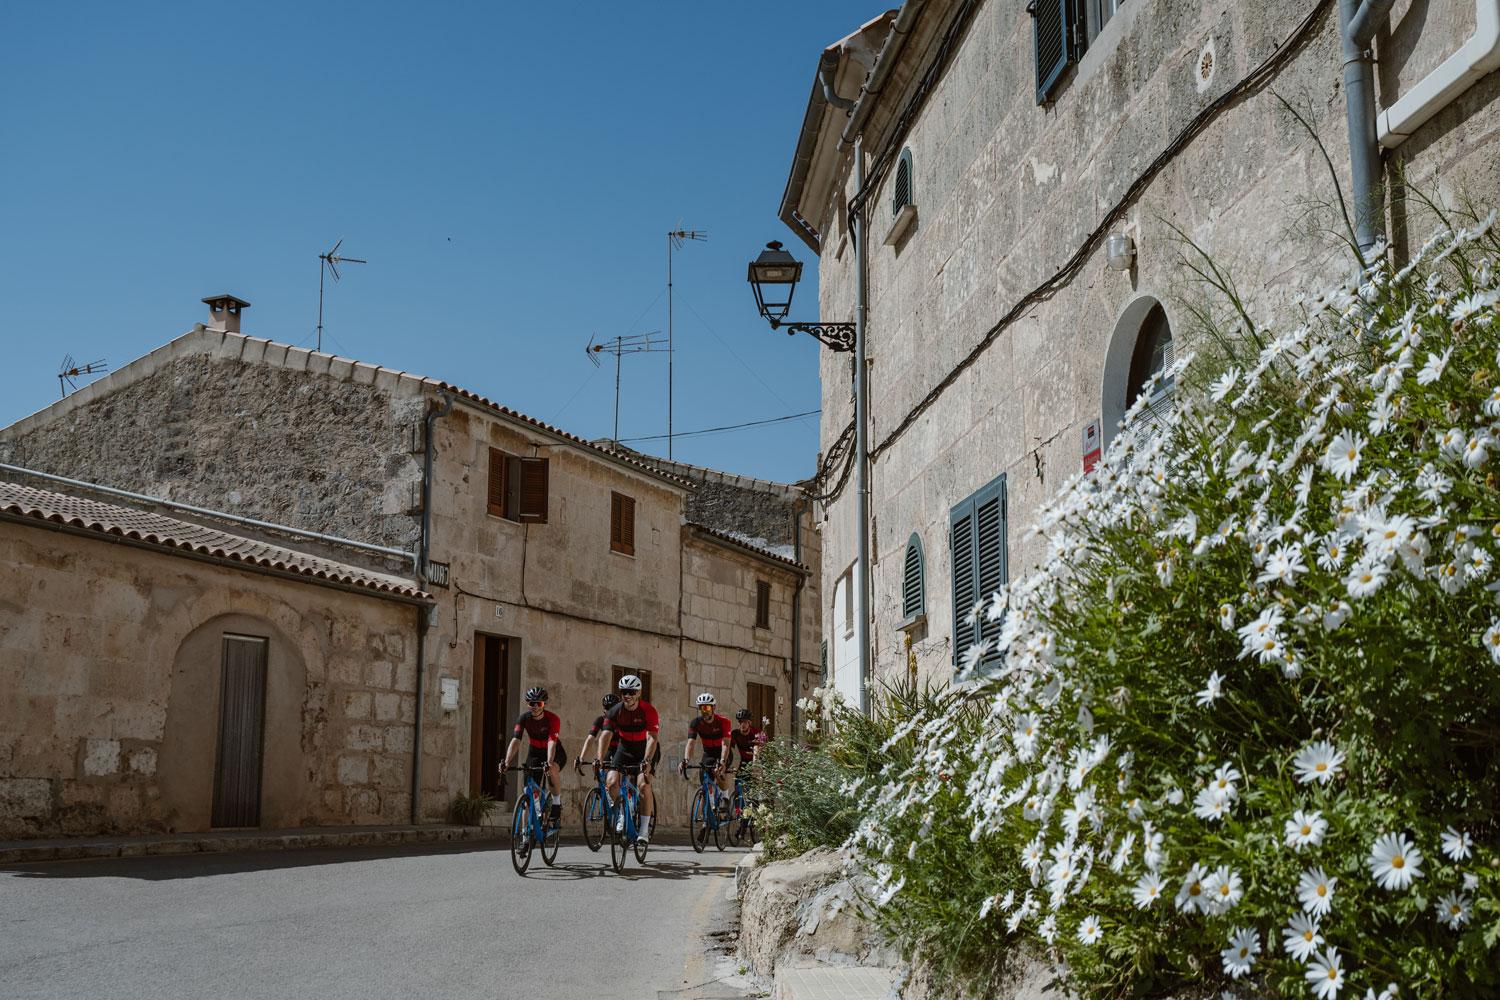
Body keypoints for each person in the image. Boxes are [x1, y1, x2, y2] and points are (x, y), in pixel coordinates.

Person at [594, 674, 661, 843]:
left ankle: (643, 831)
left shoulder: (648, 710)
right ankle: (623, 812)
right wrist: (599, 759)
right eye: (624, 692)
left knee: (643, 784)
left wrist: (647, 760)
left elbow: (652, 737)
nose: (627, 695)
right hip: (624, 749)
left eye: (631, 692)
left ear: (638, 693)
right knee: (611, 783)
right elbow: (604, 736)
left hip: (646, 749)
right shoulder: (615, 711)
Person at [500, 686, 565, 825]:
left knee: (552, 769)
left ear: (544, 704)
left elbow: (552, 742)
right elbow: (516, 740)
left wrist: (549, 762)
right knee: (528, 794)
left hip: (554, 751)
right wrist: (506, 762)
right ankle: (525, 833)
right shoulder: (523, 718)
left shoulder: (552, 719)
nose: (535, 707)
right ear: (527, 704)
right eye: (531, 703)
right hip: (535, 752)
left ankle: (556, 803)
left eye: (539, 703)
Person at [679, 692, 733, 801]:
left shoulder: (723, 722)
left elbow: (725, 744)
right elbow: (691, 743)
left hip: (722, 752)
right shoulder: (696, 723)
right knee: (704, 783)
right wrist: (686, 760)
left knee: (717, 771)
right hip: (708, 753)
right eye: (701, 708)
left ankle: (725, 795)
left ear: (713, 708)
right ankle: (709, 806)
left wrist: (722, 761)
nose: (704, 711)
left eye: (707, 707)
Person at [575, 692, 621, 776]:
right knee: (599, 770)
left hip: (622, 750)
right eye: (607, 708)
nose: (610, 711)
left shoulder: (624, 720)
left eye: (613, 708)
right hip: (609, 750)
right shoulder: (600, 720)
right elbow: (590, 739)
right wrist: (582, 758)